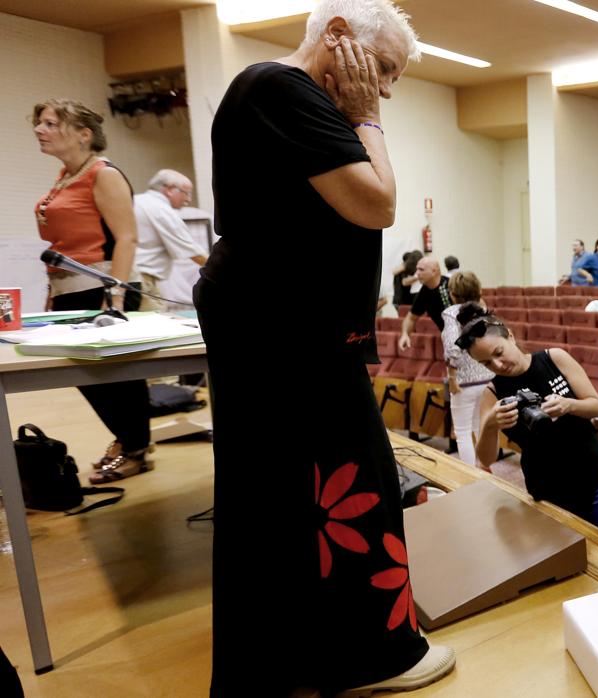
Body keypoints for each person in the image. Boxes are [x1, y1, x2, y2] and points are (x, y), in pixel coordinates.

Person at [194, 2, 454, 694]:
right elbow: (377, 203)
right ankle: (370, 657)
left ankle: (302, 655)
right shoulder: (283, 89)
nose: (386, 88)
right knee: (353, 482)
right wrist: (369, 115)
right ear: (337, 35)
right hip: (284, 333)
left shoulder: (279, 95)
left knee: (284, 495)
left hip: (281, 327)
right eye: (386, 70)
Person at [31, 98, 151, 484]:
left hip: (102, 286)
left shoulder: (103, 173)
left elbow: (126, 238)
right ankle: (127, 440)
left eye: (50, 123)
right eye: (40, 123)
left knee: (116, 377)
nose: (39, 130)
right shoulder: (66, 175)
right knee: (84, 375)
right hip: (68, 287)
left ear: (84, 134)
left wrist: (114, 297)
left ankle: (135, 448)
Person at [459, 305, 598, 529]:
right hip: (548, 489)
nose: (498, 365)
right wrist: (490, 426)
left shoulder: (554, 359)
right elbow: (486, 459)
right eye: (487, 363)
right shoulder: (492, 394)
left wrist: (569, 405)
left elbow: (596, 407)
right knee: (565, 557)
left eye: (498, 353)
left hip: (594, 476)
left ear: (510, 336)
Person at [132, 168, 207, 311]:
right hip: (142, 279)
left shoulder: (136, 200)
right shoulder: (162, 210)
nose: (188, 199)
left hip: (127, 276)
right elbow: (193, 252)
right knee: (155, 323)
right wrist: (220, 271)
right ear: (170, 189)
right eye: (186, 193)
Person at [441, 271, 494, 468]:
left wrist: (452, 377)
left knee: (462, 433)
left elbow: (452, 347)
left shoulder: (451, 313)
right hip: (487, 378)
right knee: (479, 427)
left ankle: (470, 480)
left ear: (453, 293)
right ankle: (485, 469)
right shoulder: (484, 310)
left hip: (464, 381)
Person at [398, 255, 451, 345]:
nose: (417, 273)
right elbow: (410, 318)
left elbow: (479, 304)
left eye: (421, 269)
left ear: (434, 271)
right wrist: (405, 334)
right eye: (417, 269)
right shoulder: (424, 293)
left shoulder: (451, 284)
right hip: (450, 339)